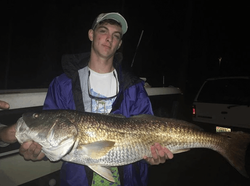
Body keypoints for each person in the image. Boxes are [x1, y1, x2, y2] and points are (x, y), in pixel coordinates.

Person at [0, 13, 173, 186]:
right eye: (103, 31)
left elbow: (148, 135)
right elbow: (53, 138)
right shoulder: (62, 85)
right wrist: (40, 151)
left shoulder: (134, 87)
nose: (109, 39)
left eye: (116, 36)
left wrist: (151, 157)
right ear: (91, 34)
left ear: (119, 44)